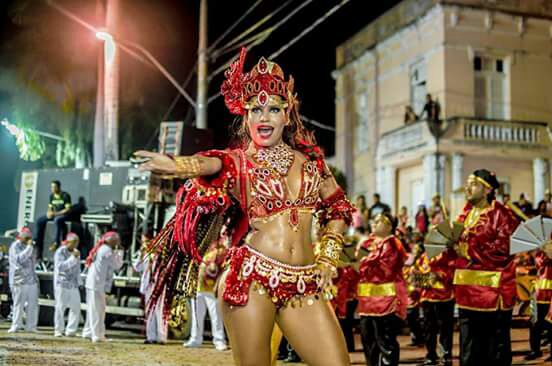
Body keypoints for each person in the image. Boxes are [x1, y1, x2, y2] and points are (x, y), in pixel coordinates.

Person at [136, 48, 355, 366]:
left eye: (273, 109)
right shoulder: (240, 162)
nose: (263, 117)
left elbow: (339, 208)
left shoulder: (312, 165)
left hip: (304, 283)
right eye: (255, 110)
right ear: (246, 116)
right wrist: (177, 165)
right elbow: (209, 163)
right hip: (253, 279)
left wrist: (327, 260)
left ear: (287, 114)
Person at [453, 169, 519, 366]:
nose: (467, 187)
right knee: (469, 348)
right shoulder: (465, 215)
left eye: (473, 183)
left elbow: (504, 250)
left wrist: (468, 251)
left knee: (493, 349)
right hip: (466, 292)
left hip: (492, 293)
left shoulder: (501, 214)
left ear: (487, 189)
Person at [357, 213, 408, 366]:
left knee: (385, 341)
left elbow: (386, 271)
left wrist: (365, 262)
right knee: (368, 342)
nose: (374, 222)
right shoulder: (367, 243)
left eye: (380, 221)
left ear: (389, 226)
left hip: (385, 302)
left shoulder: (392, 244)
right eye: (374, 219)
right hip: (367, 302)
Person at [183, 234, 228, 351]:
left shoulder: (220, 251)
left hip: (211, 288)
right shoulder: (198, 249)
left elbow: (223, 269)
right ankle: (195, 338)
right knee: (196, 315)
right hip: (197, 287)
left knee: (216, 316)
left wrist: (218, 284)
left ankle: (219, 340)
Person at [82, 231, 124, 342]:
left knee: (92, 309)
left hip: (93, 283)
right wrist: (119, 251)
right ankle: (97, 335)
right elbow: (117, 265)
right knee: (98, 310)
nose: (118, 241)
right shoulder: (107, 251)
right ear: (111, 240)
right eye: (116, 239)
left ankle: (88, 331)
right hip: (97, 284)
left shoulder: (102, 249)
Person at [419, 247, 457, 366]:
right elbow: (417, 274)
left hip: (445, 297)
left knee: (445, 327)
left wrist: (440, 276)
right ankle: (431, 355)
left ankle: (446, 355)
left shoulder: (449, 254)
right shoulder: (424, 256)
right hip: (427, 296)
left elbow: (453, 273)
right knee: (429, 328)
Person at [133, 235, 168, 344]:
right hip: (149, 285)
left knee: (160, 310)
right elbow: (137, 268)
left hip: (160, 284)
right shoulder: (145, 255)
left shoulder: (161, 253)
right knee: (150, 311)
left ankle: (162, 337)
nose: (145, 244)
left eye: (146, 241)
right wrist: (141, 256)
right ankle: (151, 336)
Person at [8, 227, 39, 333]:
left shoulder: (30, 246)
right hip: (19, 279)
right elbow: (19, 259)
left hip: (31, 279)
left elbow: (33, 262)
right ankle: (16, 325)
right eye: (26, 237)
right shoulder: (15, 246)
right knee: (18, 303)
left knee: (33, 304)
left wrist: (31, 247)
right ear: (20, 237)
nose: (28, 239)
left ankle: (31, 326)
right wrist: (29, 248)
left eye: (29, 237)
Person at [524, 249, 552, 360]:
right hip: (538, 291)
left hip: (549, 294)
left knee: (550, 323)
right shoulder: (540, 251)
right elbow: (537, 264)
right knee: (534, 323)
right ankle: (535, 350)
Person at [53, 232, 81, 337]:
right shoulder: (60, 251)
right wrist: (73, 258)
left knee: (76, 307)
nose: (76, 245)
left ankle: (71, 330)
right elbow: (61, 267)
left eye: (77, 242)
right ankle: (58, 330)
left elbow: (77, 269)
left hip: (73, 284)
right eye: (74, 242)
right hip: (62, 283)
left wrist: (79, 282)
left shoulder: (76, 252)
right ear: (68, 242)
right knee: (60, 307)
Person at [33, 180, 72, 256]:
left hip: (64, 216)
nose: (52, 188)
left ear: (59, 187)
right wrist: (49, 213)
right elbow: (50, 207)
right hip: (54, 214)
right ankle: (36, 240)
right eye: (51, 187)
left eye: (54, 187)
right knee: (39, 221)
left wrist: (55, 213)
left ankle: (56, 242)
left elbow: (67, 209)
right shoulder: (51, 196)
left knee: (57, 220)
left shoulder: (65, 195)